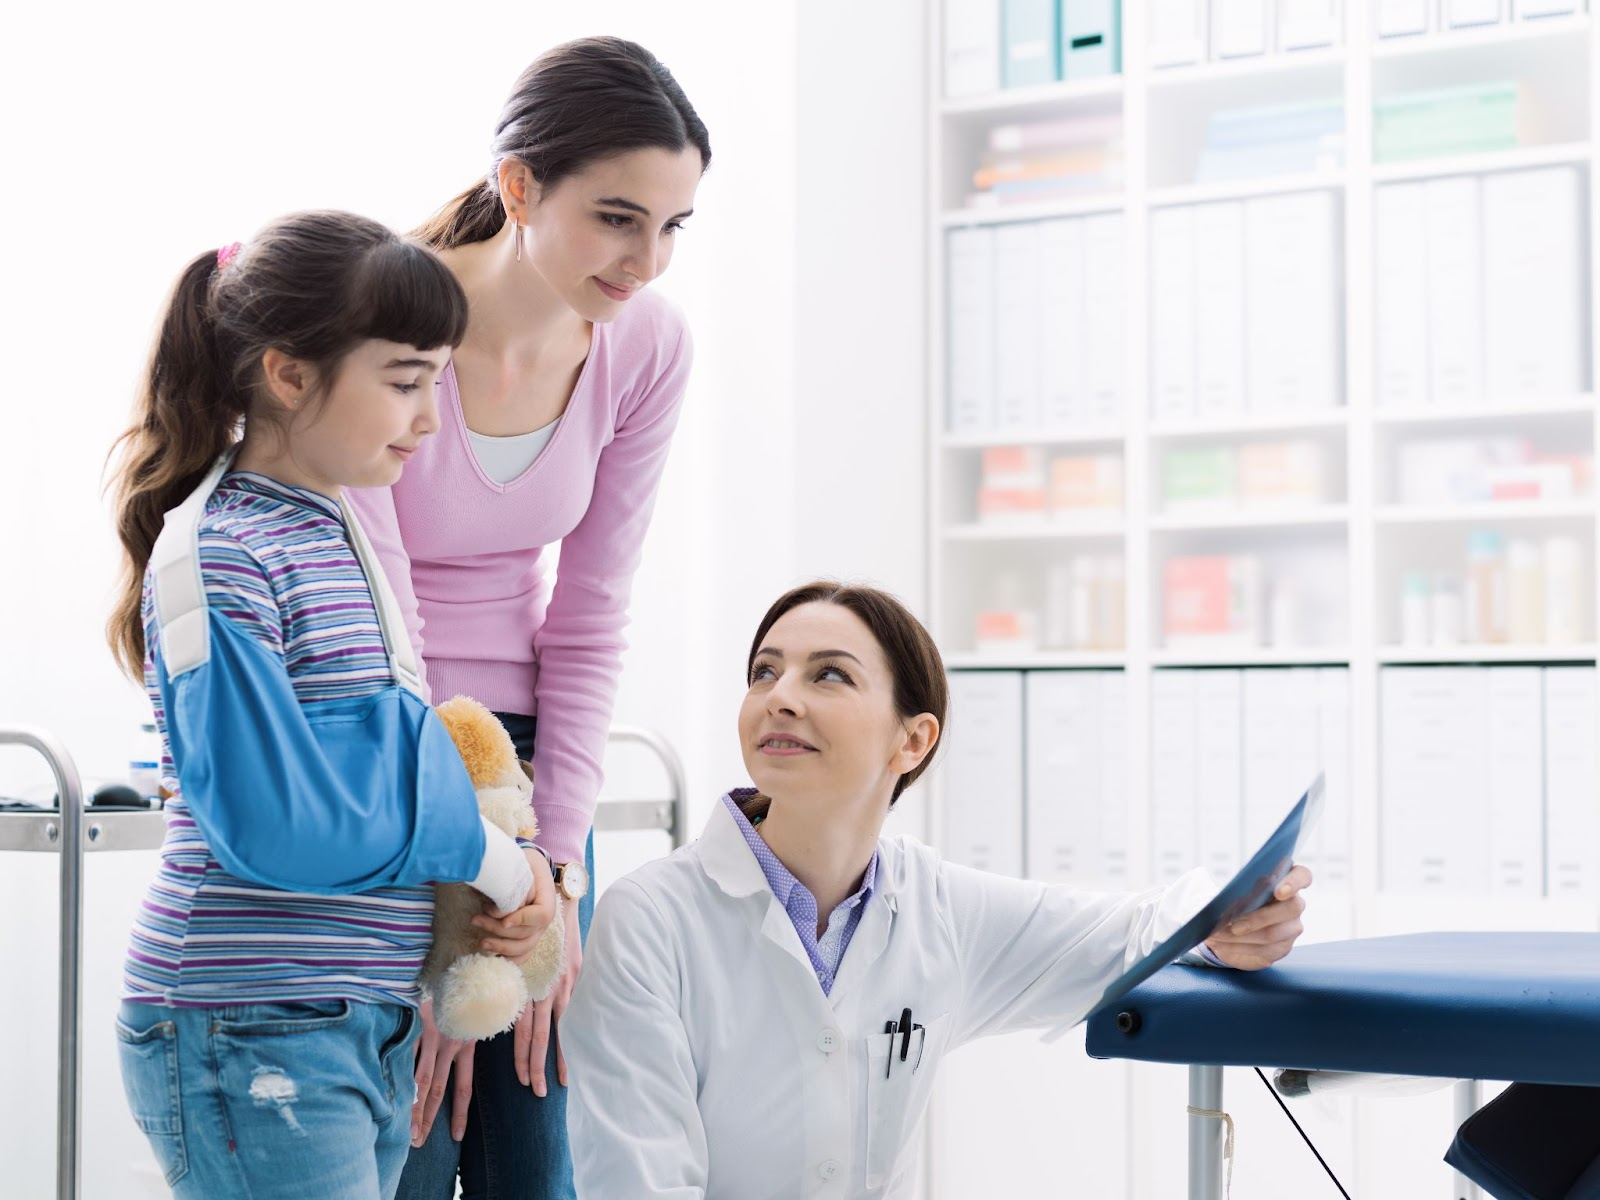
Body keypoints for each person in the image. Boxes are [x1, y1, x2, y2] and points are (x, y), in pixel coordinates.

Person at [561, 580, 1314, 1199]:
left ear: (912, 740)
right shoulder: (651, 921)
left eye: (828, 673)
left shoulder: (937, 908)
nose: (780, 697)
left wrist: (1230, 920)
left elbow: (1133, 929)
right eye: (765, 671)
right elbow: (639, 1184)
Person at [106, 211, 557, 1200]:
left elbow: (386, 764)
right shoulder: (225, 555)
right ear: (291, 375)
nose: (430, 419)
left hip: (345, 1017)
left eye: (437, 380)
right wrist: (492, 862)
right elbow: (280, 820)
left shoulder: (330, 537)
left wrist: (506, 879)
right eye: (404, 381)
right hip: (253, 1021)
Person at [343, 35, 710, 1200]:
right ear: (518, 187)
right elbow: (382, 617)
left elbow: (593, 611)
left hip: (538, 782)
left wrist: (546, 867)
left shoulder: (647, 345)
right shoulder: (379, 313)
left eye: (671, 226)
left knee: (538, 1132)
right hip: (389, 758)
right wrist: (463, 892)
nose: (645, 260)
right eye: (616, 217)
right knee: (414, 1129)